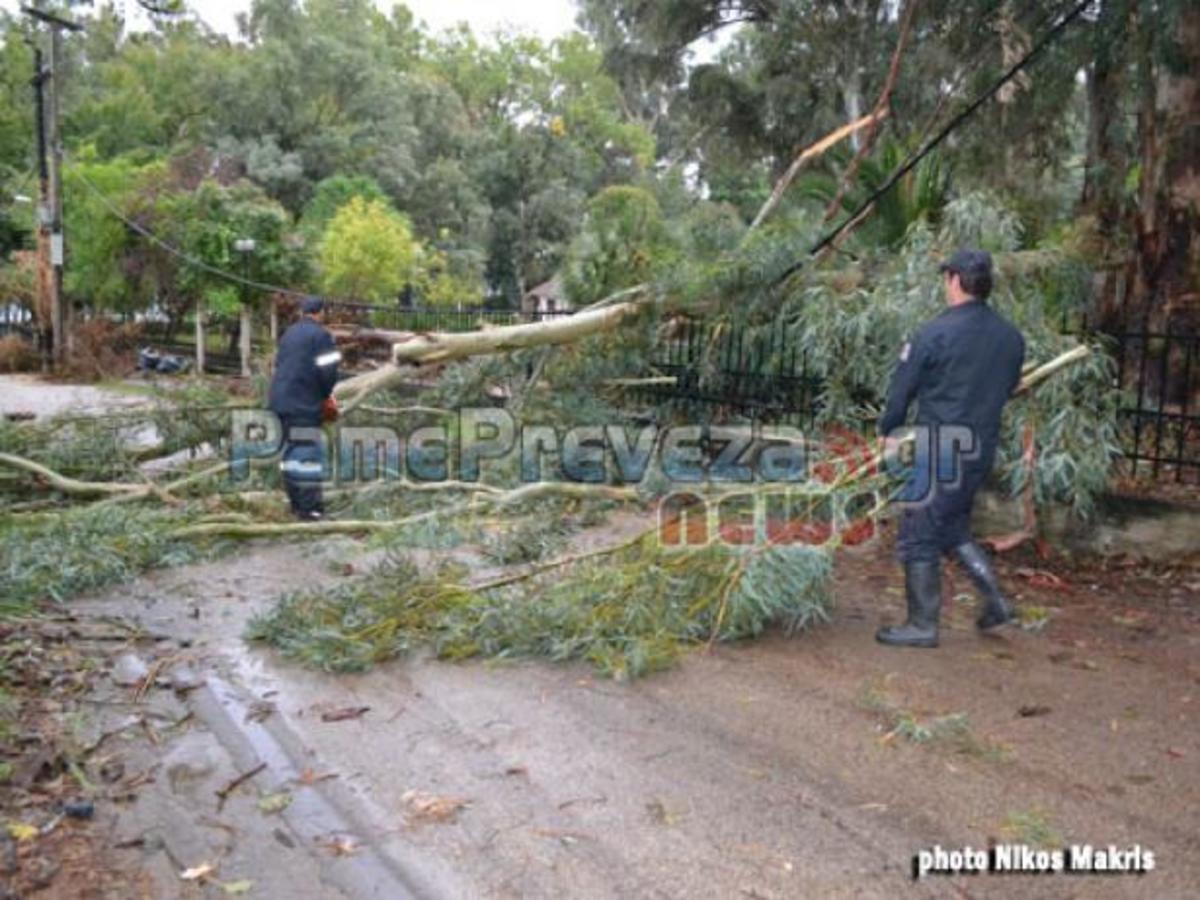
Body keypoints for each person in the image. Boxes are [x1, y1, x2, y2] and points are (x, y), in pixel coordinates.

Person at [875, 250, 1026, 648]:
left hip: (941, 448)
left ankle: (922, 625)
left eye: (946, 278)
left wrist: (887, 430)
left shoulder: (934, 333)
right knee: (953, 526)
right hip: (979, 449)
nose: (946, 285)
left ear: (956, 280)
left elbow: (902, 390)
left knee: (917, 534)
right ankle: (996, 605)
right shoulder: (1010, 338)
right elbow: (1008, 389)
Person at [268, 296, 340, 520]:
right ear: (320, 312)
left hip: (280, 402)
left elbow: (280, 365)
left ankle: (297, 504)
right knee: (307, 453)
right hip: (304, 403)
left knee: (291, 453)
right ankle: (310, 509)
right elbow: (329, 371)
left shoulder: (288, 334)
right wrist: (327, 396)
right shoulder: (321, 335)